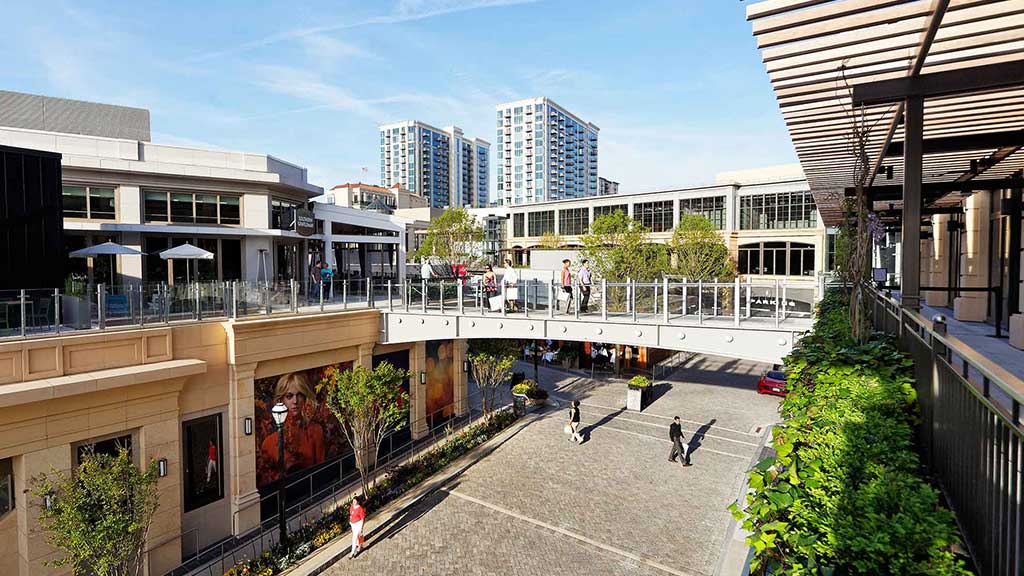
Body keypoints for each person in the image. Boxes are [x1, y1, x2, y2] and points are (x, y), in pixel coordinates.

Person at [258, 371, 326, 483]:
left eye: (299, 395)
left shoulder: (315, 430)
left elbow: (321, 472)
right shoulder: (269, 442)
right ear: (281, 400)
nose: (295, 401)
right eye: (289, 396)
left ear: (305, 398)